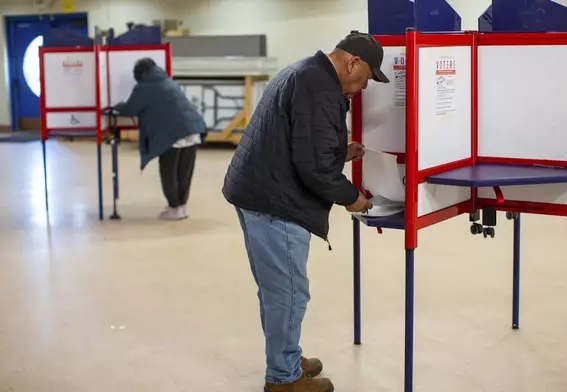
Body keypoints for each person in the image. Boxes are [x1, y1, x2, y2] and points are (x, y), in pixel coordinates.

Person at [222, 31, 389, 392]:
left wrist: (338, 153)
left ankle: (285, 355)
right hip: (274, 201)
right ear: (352, 63)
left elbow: (296, 140)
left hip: (257, 190)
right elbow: (312, 167)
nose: (361, 89)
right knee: (288, 292)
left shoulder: (305, 71)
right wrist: (352, 198)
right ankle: (283, 379)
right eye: (364, 80)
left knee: (275, 289)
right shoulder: (318, 87)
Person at [111, 57, 206, 220]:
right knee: (184, 172)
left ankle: (174, 208)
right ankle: (182, 207)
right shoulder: (168, 81)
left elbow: (130, 109)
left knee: (169, 173)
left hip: (173, 135)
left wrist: (115, 106)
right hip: (193, 130)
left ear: (139, 74)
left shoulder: (144, 87)